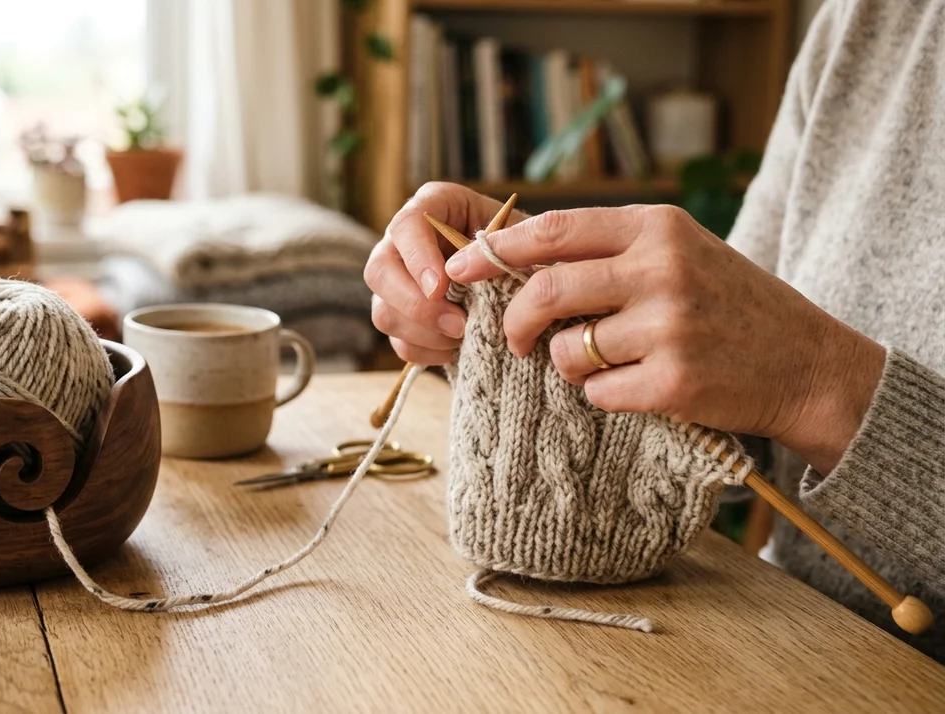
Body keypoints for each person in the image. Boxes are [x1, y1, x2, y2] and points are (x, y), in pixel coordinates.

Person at [365, 0, 945, 662]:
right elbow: (717, 350)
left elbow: (772, 363)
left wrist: (814, 384)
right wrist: (528, 305)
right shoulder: (871, 18)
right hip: (774, 630)